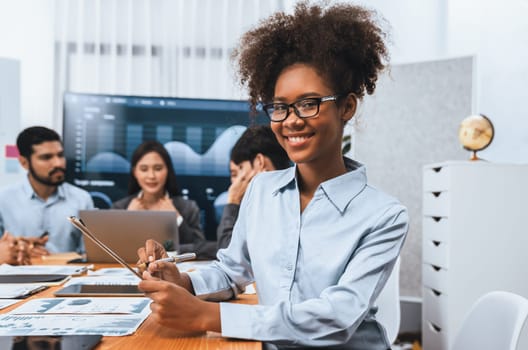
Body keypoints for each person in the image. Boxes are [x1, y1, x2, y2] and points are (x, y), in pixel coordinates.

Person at [137, 2, 409, 349]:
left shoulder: (384, 216)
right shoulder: (263, 190)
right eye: (279, 107)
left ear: (347, 106)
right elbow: (232, 271)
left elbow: (338, 317)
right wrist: (184, 282)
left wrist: (207, 316)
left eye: (309, 103)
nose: (291, 120)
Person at [0, 126, 94, 255]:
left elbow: (90, 255)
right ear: (24, 163)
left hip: (69, 273)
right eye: (46, 157)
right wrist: (14, 250)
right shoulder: (4, 199)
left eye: (60, 155)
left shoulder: (82, 199)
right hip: (19, 272)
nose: (58, 163)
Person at [112, 140, 210, 258]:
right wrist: (128, 219)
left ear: (167, 171)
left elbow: (201, 249)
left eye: (158, 168)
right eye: (144, 169)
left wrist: (177, 219)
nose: (151, 176)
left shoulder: (188, 208)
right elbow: (111, 251)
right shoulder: (119, 207)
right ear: (135, 172)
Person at [217, 125, 290, 250]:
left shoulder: (271, 206)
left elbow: (230, 253)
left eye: (241, 168)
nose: (236, 180)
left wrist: (233, 200)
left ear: (259, 162)